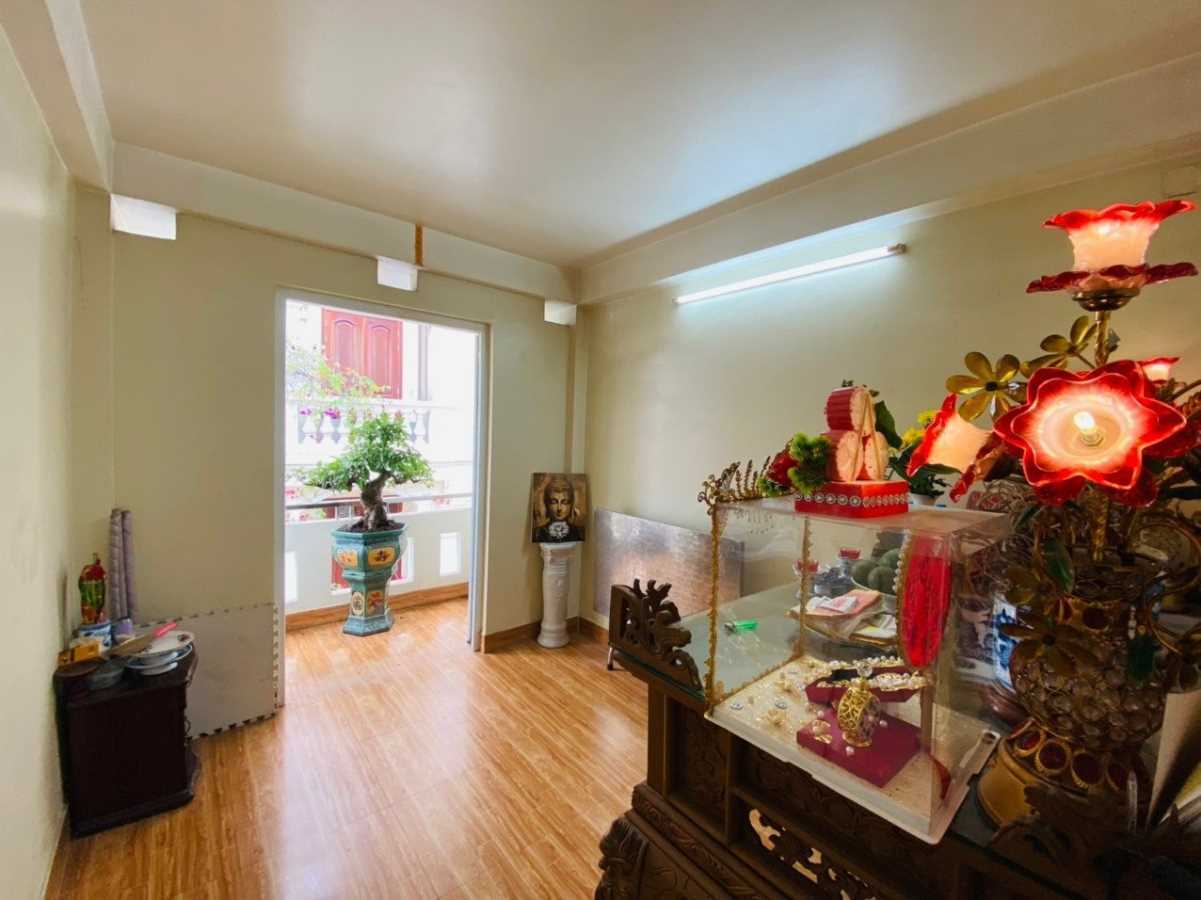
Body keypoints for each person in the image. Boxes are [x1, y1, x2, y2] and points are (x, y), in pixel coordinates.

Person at [533, 476, 584, 542]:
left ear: (571, 504)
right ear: (547, 503)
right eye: (554, 502)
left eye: (564, 502)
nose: (559, 508)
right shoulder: (538, 533)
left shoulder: (579, 533)